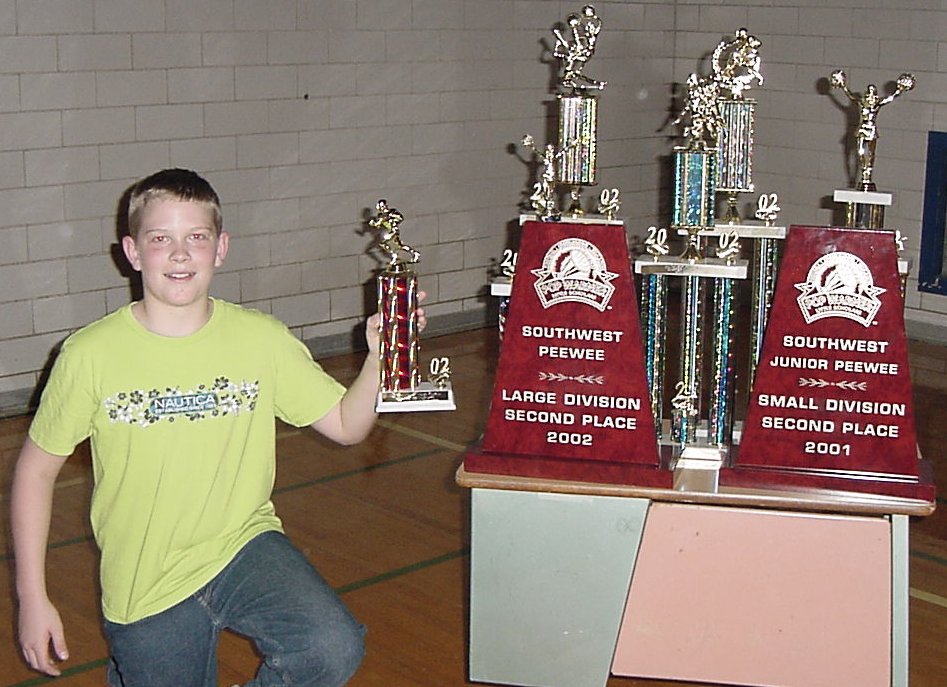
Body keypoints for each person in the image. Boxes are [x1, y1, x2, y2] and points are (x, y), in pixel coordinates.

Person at [11, 168, 413, 687]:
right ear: (132, 252)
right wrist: (32, 597)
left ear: (220, 248)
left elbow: (344, 425)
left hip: (242, 547)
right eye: (161, 239)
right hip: (145, 580)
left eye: (196, 237)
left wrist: (382, 357)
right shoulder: (89, 355)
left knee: (329, 647)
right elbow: (36, 472)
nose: (180, 254)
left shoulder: (261, 339)